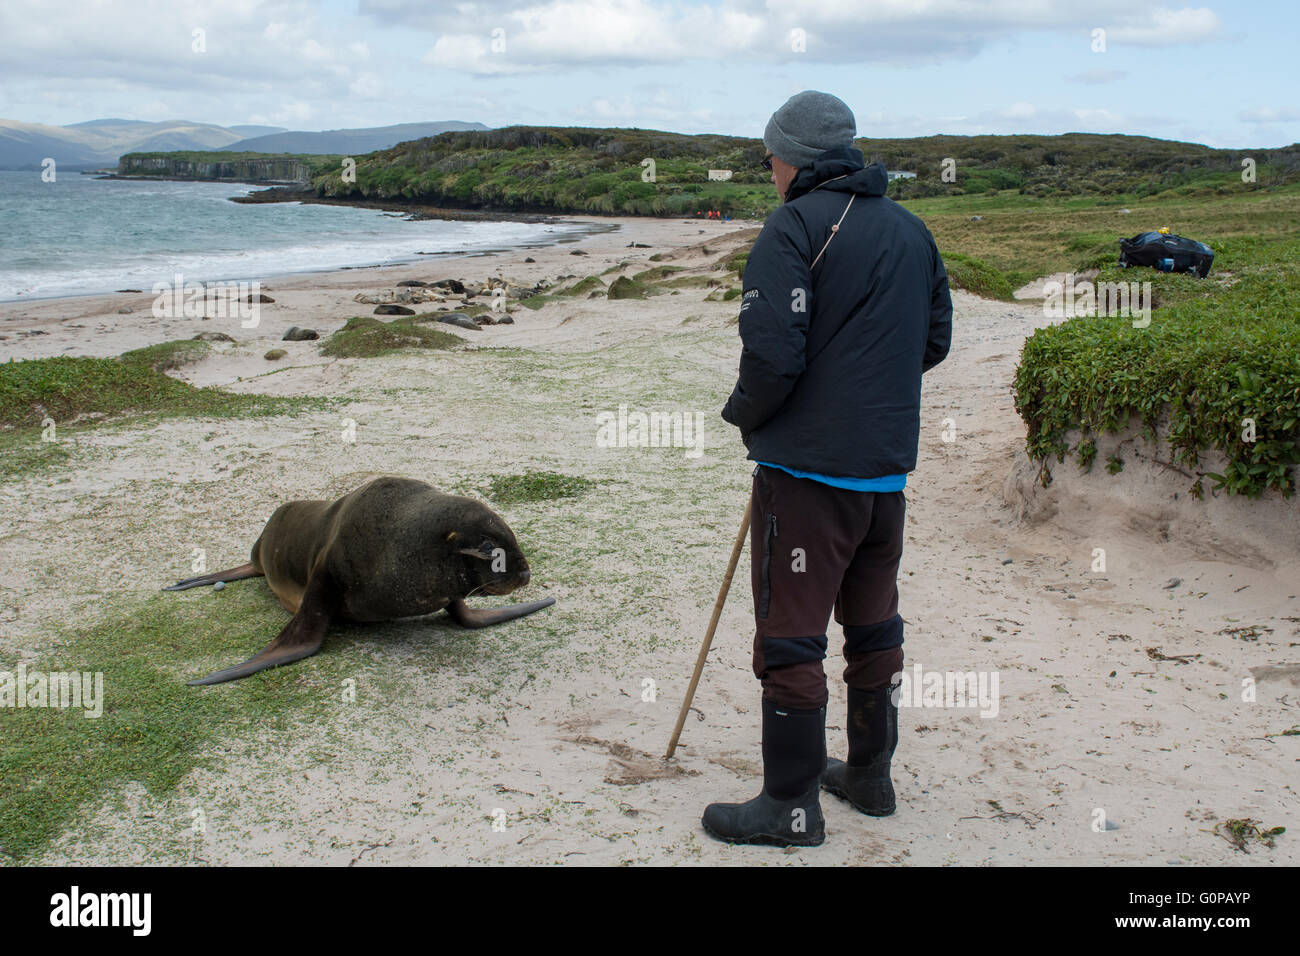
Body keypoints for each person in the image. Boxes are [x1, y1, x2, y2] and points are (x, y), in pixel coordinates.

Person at [703, 90, 953, 847]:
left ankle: (791, 808)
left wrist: (745, 413)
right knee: (874, 625)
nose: (769, 169)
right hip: (884, 477)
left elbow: (774, 356)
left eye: (770, 156)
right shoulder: (912, 230)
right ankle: (871, 777)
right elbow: (933, 341)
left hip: (808, 477)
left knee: (791, 638)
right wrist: (866, 392)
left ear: (793, 158)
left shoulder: (794, 226)